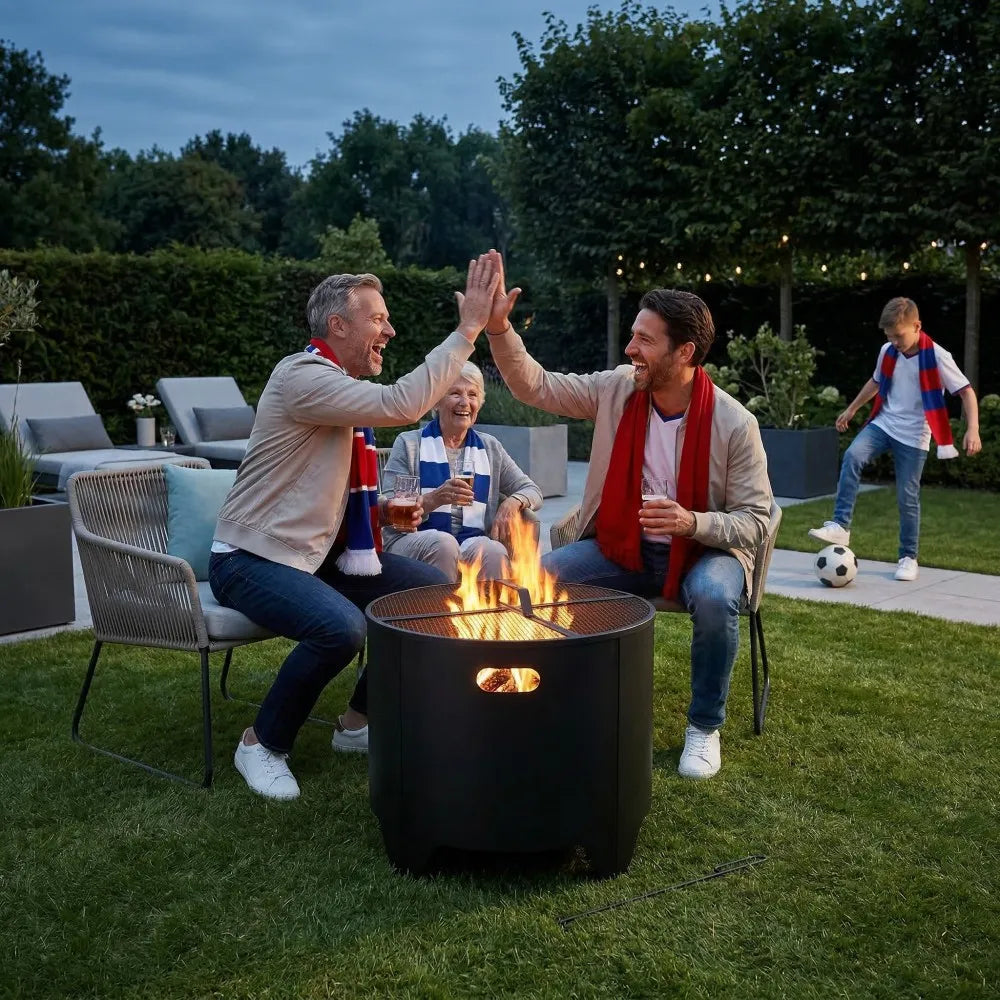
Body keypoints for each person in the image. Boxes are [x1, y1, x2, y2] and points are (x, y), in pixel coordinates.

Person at [208, 256, 501, 800]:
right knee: (341, 628)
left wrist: (384, 511)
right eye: (378, 319)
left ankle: (357, 724)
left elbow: (328, 489)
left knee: (435, 596)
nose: (389, 330)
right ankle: (261, 743)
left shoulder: (337, 391)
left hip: (317, 557)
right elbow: (402, 403)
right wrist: (469, 329)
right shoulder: (301, 376)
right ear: (337, 325)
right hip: (249, 560)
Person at [483, 251, 772, 779]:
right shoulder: (618, 388)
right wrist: (500, 329)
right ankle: (543, 698)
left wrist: (693, 523)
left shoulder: (735, 423)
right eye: (633, 336)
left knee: (713, 598)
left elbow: (757, 520)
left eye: (645, 341)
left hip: (705, 551)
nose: (630, 349)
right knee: (543, 577)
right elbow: (537, 386)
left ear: (685, 352)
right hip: (624, 546)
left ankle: (704, 726)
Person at [808, 297, 981, 581]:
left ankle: (908, 557)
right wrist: (852, 408)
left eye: (898, 336)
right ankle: (840, 524)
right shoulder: (887, 351)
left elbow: (966, 391)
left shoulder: (938, 356)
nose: (895, 342)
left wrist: (972, 429)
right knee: (853, 455)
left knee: (907, 497)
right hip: (884, 423)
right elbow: (876, 381)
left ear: (917, 326)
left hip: (915, 435)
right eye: (889, 336)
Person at [380, 361, 543, 581]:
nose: (465, 402)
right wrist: (433, 499)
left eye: (473, 395)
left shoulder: (490, 447)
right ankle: (435, 614)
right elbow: (390, 510)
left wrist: (512, 502)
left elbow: (531, 489)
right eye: (455, 393)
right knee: (444, 545)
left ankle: (489, 615)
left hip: (471, 539)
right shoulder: (409, 444)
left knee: (493, 552)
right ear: (436, 400)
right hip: (411, 538)